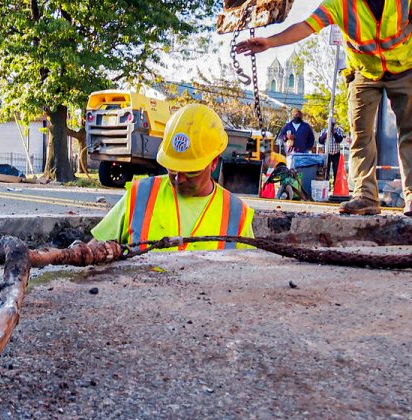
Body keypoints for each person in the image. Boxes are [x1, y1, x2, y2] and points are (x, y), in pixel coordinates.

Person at [235, 0, 412, 217]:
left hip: (405, 68)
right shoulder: (340, 4)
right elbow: (306, 26)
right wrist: (270, 42)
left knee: (409, 131)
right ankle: (366, 197)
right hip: (364, 72)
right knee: (361, 134)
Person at [92, 103, 254, 251]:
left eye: (190, 171)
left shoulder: (237, 214)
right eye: (173, 169)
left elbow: (249, 276)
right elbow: (94, 248)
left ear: (213, 163)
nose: (179, 179)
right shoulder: (140, 194)